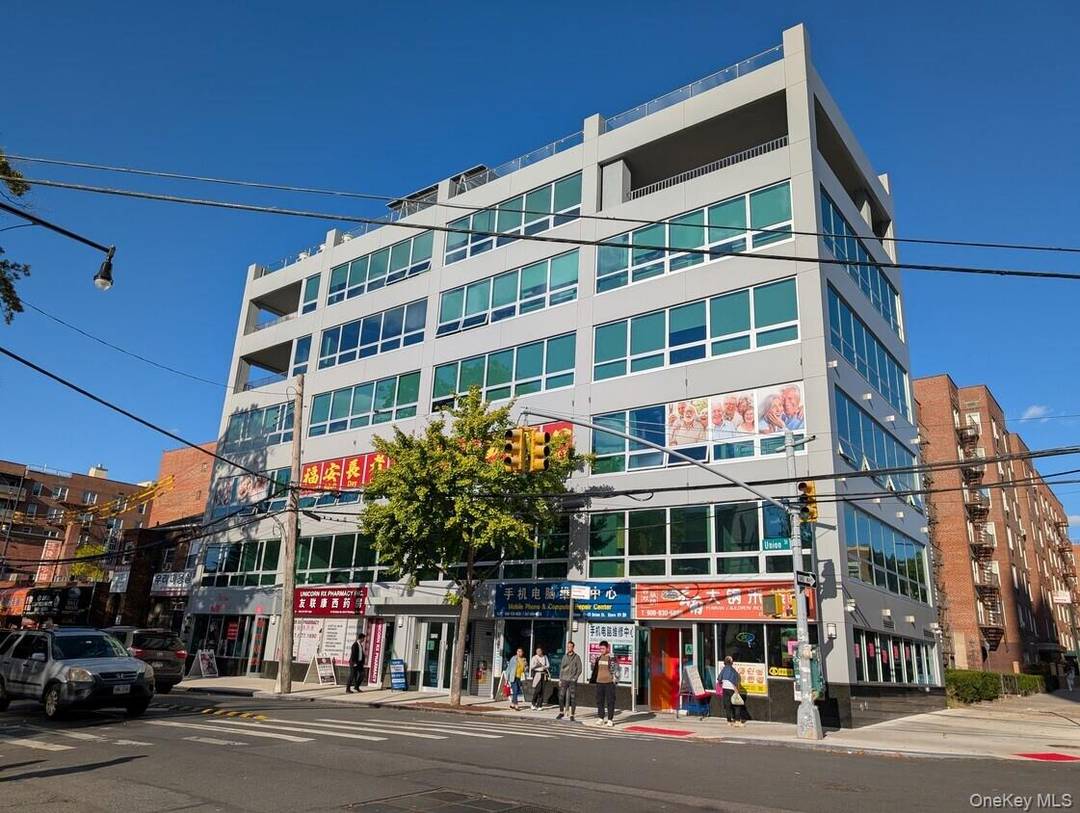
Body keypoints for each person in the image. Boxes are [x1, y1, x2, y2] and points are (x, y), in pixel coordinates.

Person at [589, 640, 618, 727]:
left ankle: (610, 719)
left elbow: (616, 669)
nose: (601, 650)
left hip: (609, 682)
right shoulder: (598, 657)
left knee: (610, 701)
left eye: (603, 648)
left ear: (607, 648)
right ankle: (601, 718)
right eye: (600, 648)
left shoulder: (611, 658)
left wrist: (615, 680)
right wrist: (593, 662)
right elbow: (593, 669)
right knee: (600, 701)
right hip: (599, 682)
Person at [556, 641, 583, 721]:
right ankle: (561, 712)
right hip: (564, 679)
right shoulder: (564, 657)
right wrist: (560, 679)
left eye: (570, 647)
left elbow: (579, 669)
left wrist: (575, 678)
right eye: (568, 647)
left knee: (573, 697)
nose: (569, 648)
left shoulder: (577, 657)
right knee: (561, 696)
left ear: (573, 647)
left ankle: (572, 714)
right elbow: (561, 668)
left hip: (572, 680)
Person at [717, 656, 747, 727]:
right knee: (737, 705)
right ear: (731, 662)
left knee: (728, 705)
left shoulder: (724, 669)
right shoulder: (732, 670)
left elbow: (719, 678)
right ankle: (737, 721)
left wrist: (722, 684)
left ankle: (729, 721)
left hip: (725, 689)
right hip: (732, 689)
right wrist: (736, 690)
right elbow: (737, 679)